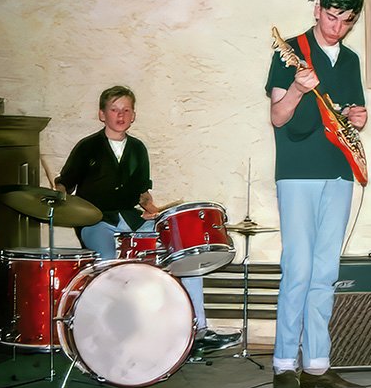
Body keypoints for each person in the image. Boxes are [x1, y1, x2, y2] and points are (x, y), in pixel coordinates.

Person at [54, 85, 238, 361]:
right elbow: (64, 182)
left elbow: (142, 192)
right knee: (108, 261)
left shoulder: (138, 149)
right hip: (95, 221)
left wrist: (152, 209)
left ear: (134, 115)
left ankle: (198, 330)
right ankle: (109, 334)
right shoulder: (87, 147)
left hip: (131, 219)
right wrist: (58, 195)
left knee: (184, 249)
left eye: (126, 110)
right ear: (102, 114)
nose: (120, 115)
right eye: (114, 109)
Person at [265, 0, 368, 388]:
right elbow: (278, 117)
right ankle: (284, 363)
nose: (336, 27)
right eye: (330, 16)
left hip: (339, 171)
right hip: (298, 171)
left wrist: (359, 117)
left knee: (326, 271)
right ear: (317, 10)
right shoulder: (289, 51)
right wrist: (296, 88)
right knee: (299, 268)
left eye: (346, 21)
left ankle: (318, 364)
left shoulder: (350, 60)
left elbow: (352, 114)